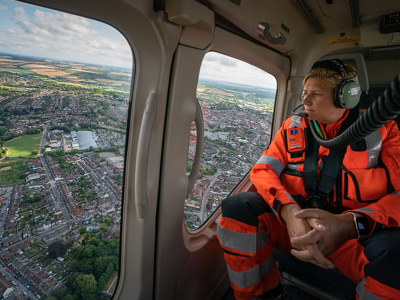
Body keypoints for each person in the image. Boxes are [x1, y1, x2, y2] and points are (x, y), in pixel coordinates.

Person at [216, 59, 400, 300]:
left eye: (316, 94)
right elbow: (263, 170)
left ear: (345, 98)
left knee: (395, 257)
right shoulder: (292, 126)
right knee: (236, 208)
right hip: (296, 227)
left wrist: (350, 224)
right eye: (304, 93)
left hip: (350, 236)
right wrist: (288, 210)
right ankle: (263, 295)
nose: (305, 101)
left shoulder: (384, 131)